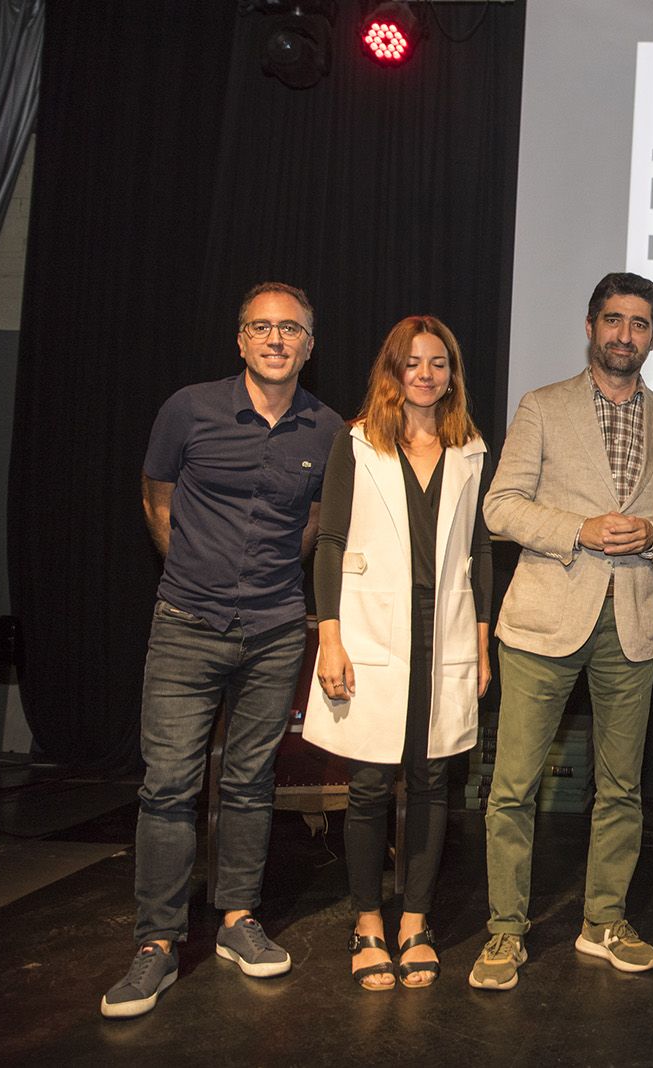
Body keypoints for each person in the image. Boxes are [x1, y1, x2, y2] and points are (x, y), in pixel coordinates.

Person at [103, 283, 343, 1018]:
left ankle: (238, 920)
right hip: (186, 624)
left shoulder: (326, 427)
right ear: (240, 339)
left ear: (310, 344)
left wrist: (260, 583)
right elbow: (157, 498)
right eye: (261, 328)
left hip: (274, 630)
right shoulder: (188, 409)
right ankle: (157, 944)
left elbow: (310, 526)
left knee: (248, 781)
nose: (276, 340)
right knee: (168, 785)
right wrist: (196, 576)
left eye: (290, 329)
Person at [471, 272, 653, 988]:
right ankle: (505, 931)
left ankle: (604, 920)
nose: (625, 335)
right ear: (590, 325)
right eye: (614, 321)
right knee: (513, 787)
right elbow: (500, 507)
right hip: (542, 622)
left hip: (632, 624)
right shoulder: (543, 406)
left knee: (621, 787)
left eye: (640, 324)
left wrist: (652, 531)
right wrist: (580, 529)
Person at [305, 315, 493, 990]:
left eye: (438, 362)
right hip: (368, 630)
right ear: (391, 371)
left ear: (451, 374)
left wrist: (479, 636)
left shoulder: (469, 447)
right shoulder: (356, 443)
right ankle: (366, 923)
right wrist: (330, 636)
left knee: (435, 780)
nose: (425, 374)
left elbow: (480, 548)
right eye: (411, 362)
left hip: (442, 629)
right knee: (368, 786)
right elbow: (328, 542)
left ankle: (415, 919)